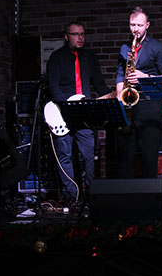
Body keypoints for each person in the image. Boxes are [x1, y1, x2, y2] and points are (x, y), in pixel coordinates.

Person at [47, 21, 113, 203]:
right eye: (76, 34)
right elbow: (53, 87)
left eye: (82, 34)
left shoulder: (89, 57)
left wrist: (113, 95)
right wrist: (67, 105)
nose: (80, 38)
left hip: (83, 113)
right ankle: (71, 197)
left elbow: (98, 84)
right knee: (64, 155)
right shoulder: (57, 57)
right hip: (62, 112)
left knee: (89, 154)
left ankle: (91, 195)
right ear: (66, 36)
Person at [115, 6, 162, 178]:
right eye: (132, 25)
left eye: (139, 25)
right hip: (129, 107)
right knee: (125, 161)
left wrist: (144, 77)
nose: (135, 29)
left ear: (147, 25)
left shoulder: (157, 47)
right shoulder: (125, 48)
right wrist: (119, 96)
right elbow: (120, 72)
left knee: (149, 159)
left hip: (150, 107)